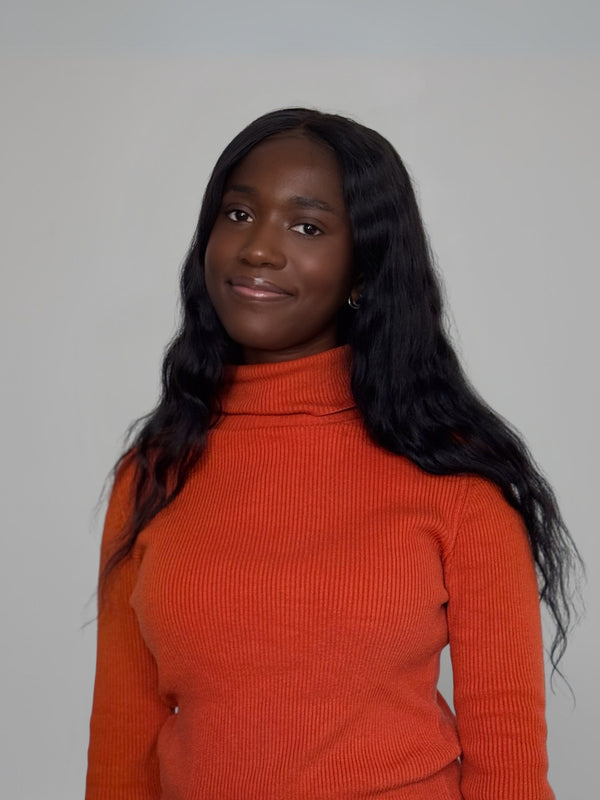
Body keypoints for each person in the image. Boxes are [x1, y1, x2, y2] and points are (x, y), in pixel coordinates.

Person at [85, 108, 581, 800]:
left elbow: (508, 760)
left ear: (362, 267)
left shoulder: (454, 473)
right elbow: (121, 738)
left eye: (308, 227)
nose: (258, 249)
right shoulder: (156, 468)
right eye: (236, 216)